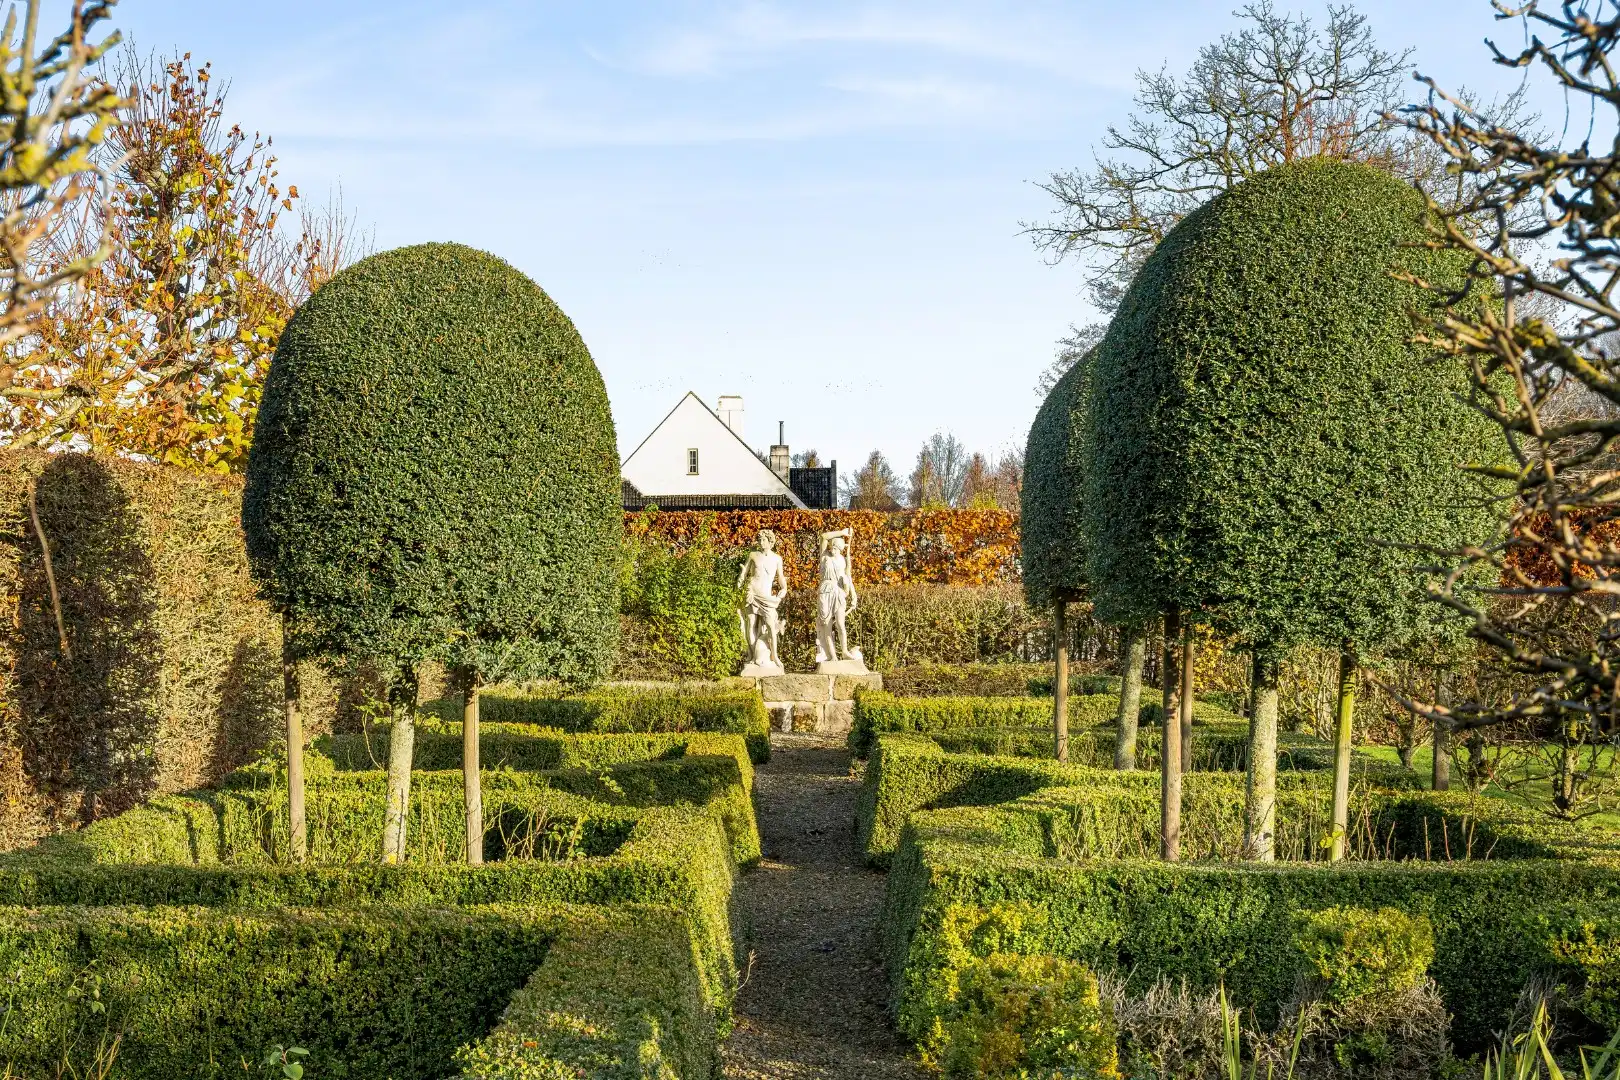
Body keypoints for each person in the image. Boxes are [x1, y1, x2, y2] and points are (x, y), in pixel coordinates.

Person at [736, 529, 787, 669]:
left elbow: (780, 577)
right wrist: (739, 584)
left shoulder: (777, 558)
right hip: (752, 592)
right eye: (759, 539)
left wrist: (784, 589)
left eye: (763, 539)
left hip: (767, 596)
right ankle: (752, 656)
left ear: (770, 541)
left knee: (771, 625)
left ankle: (774, 656)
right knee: (750, 623)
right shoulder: (753, 555)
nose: (760, 542)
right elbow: (744, 573)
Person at [815, 528, 858, 664]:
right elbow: (823, 536)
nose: (832, 549)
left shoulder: (844, 560)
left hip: (839, 592)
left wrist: (853, 594)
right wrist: (843, 532)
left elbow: (848, 578)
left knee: (840, 624)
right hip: (825, 590)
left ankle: (844, 652)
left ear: (840, 549)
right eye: (831, 547)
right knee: (826, 624)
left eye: (835, 547)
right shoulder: (824, 556)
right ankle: (832, 656)